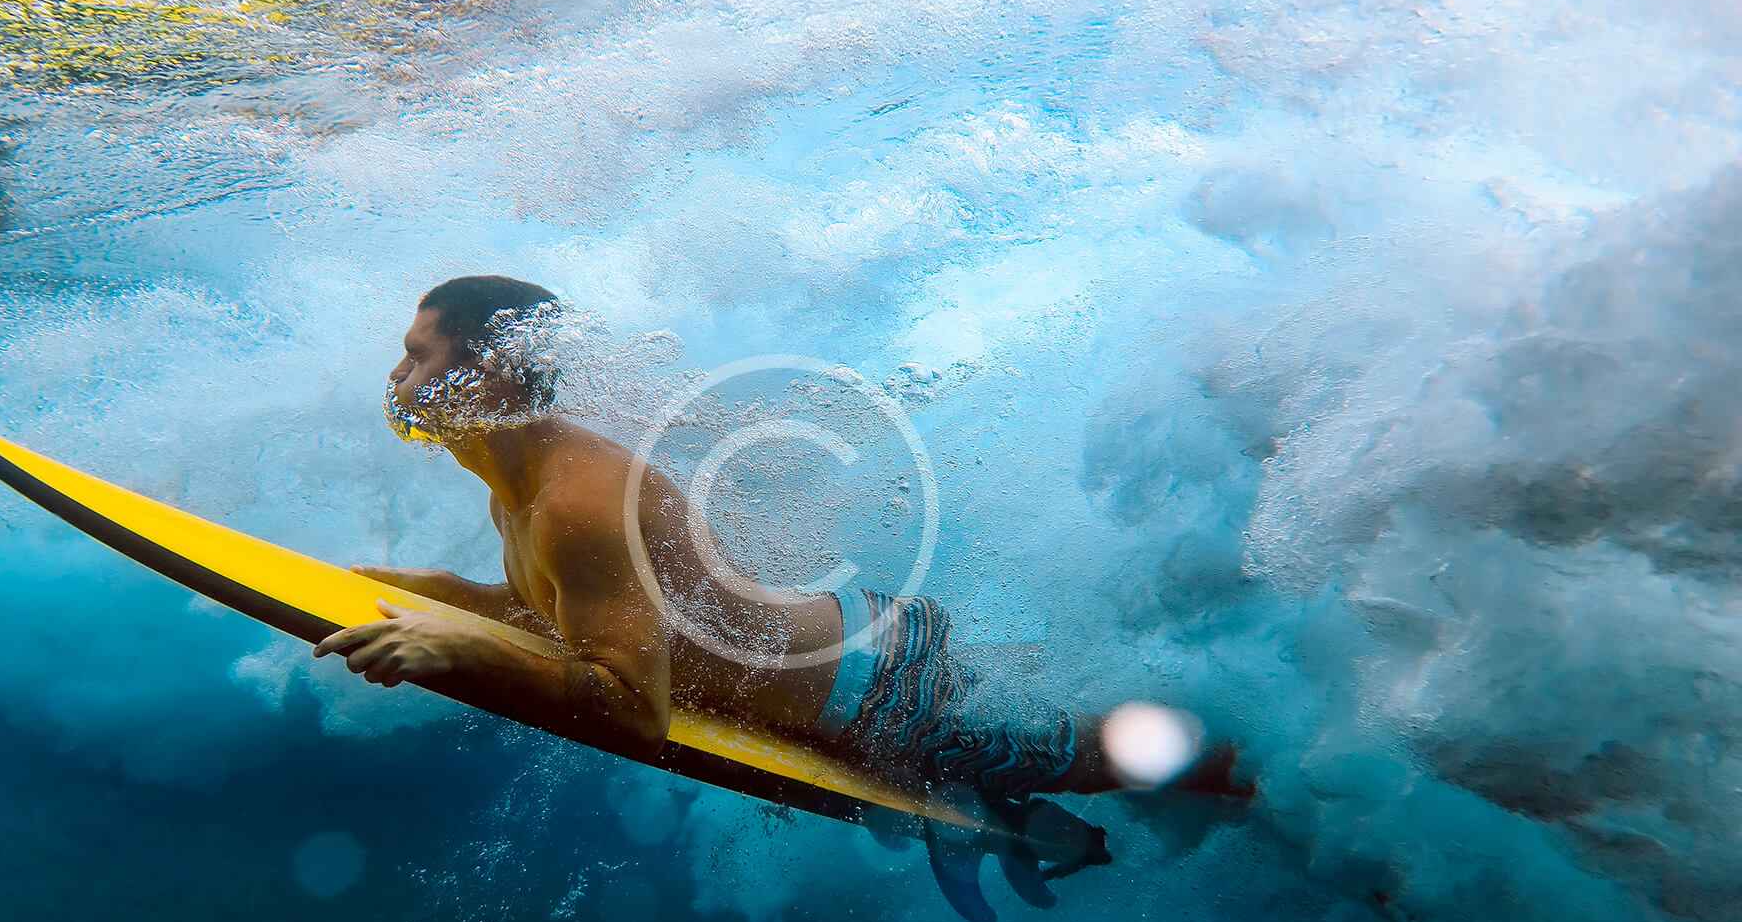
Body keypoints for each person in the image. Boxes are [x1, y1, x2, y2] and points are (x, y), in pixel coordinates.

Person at [313, 275, 1249, 808]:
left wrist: (460, 649)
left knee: (1094, 759)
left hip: (873, 695)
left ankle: (1263, 782)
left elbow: (632, 708)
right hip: (848, 647)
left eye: (418, 355)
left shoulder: (574, 503)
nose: (398, 377)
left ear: (493, 373)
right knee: (1045, 722)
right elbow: (563, 613)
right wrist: (439, 595)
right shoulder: (517, 485)